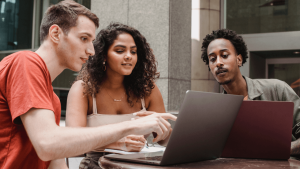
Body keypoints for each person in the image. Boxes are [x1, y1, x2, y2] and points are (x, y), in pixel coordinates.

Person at [0, 1, 176, 168]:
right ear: (55, 34)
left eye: (92, 42)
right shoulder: (25, 62)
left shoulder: (52, 100)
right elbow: (48, 144)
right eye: (84, 39)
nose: (91, 51)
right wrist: (131, 126)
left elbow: (58, 163)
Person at [65, 22, 171, 168]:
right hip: (97, 165)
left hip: (139, 165)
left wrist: (165, 133)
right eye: (120, 51)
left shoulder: (148, 90)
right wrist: (117, 144)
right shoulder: (83, 89)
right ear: (103, 55)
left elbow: (163, 141)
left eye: (133, 52)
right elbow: (72, 142)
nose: (129, 56)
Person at [200, 29, 300, 156]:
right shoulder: (215, 112)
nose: (218, 63)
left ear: (239, 59)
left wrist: (279, 150)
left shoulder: (277, 89)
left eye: (224, 55)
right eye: (212, 59)